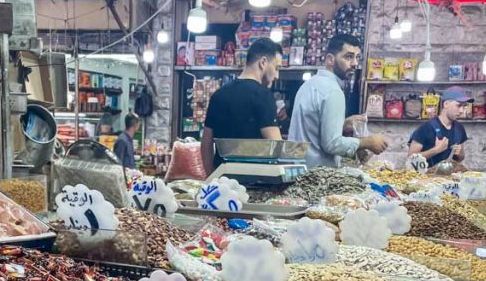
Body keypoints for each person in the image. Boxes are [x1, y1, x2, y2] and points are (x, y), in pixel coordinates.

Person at [288, 34, 387, 166]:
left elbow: (313, 130)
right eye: (348, 57)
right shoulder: (333, 91)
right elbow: (332, 144)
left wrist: (342, 124)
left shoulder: (309, 84)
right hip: (316, 176)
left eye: (357, 58)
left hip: (297, 169)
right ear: (330, 59)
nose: (355, 63)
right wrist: (367, 142)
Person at [201, 38, 283, 175]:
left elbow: (206, 144)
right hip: (255, 181)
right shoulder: (263, 95)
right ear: (263, 63)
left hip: (223, 180)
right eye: (276, 68)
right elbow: (276, 146)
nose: (277, 75)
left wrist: (211, 177)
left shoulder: (218, 95)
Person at [408, 87, 469, 168]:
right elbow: (410, 159)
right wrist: (436, 150)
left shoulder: (459, 128)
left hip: (449, 178)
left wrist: (460, 153)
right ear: (446, 104)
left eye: (464, 106)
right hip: (425, 179)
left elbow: (460, 158)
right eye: (458, 105)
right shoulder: (426, 127)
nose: (461, 111)